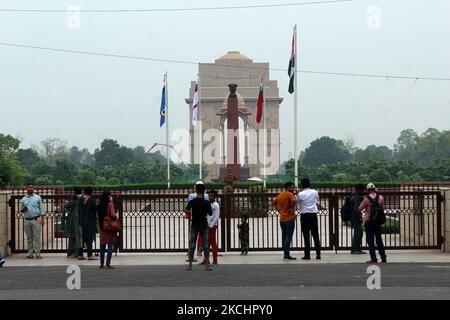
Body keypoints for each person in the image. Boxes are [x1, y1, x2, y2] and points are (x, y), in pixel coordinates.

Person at [185, 183, 213, 271]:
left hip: (194, 224)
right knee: (205, 245)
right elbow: (210, 213)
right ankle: (207, 265)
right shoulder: (206, 203)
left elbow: (186, 209)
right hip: (204, 224)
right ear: (204, 192)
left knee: (192, 244)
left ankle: (190, 265)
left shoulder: (192, 201)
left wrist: (190, 212)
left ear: (196, 191)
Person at [359, 183, 387, 264]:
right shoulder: (381, 197)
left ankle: (373, 258)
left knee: (370, 241)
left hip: (369, 221)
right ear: (375, 189)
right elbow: (382, 208)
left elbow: (360, 208)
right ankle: (383, 258)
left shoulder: (366, 199)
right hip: (377, 222)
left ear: (367, 190)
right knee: (379, 240)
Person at [297, 178, 321, 260]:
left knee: (306, 236)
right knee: (315, 235)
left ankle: (307, 255)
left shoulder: (300, 194)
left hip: (304, 216)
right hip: (313, 215)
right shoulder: (314, 192)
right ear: (309, 184)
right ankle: (318, 254)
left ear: (302, 185)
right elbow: (317, 200)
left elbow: (298, 202)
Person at [273, 182, 297, 261]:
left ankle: (285, 254)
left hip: (282, 219)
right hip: (289, 219)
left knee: (284, 236)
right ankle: (287, 255)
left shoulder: (280, 195)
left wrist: (279, 210)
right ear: (288, 187)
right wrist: (292, 209)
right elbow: (294, 201)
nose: (293, 189)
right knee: (288, 237)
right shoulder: (290, 194)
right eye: (292, 187)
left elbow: (274, 203)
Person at [20, 183, 45, 259]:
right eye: (29, 187)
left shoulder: (37, 197)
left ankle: (38, 254)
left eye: (32, 187)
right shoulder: (23, 199)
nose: (30, 188)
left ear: (33, 188)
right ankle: (30, 253)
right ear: (26, 188)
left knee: (36, 237)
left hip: (36, 219)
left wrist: (42, 219)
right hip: (27, 220)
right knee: (29, 238)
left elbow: (41, 209)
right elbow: (21, 210)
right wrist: (24, 209)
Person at [97, 191, 118, 269]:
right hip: (109, 227)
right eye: (110, 196)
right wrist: (116, 217)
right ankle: (108, 264)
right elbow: (112, 214)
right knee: (110, 245)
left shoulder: (99, 204)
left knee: (102, 245)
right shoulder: (110, 204)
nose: (111, 197)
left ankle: (101, 264)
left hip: (102, 226)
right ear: (108, 197)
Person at [343, 184, 366, 254]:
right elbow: (356, 209)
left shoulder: (353, 195)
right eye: (363, 190)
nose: (363, 191)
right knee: (358, 233)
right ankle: (354, 249)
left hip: (353, 216)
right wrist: (359, 218)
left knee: (359, 232)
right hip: (354, 217)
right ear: (359, 190)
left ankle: (357, 249)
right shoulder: (355, 197)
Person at [78, 187, 97, 260]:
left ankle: (80, 254)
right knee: (89, 238)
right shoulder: (92, 200)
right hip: (89, 220)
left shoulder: (80, 199)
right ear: (91, 192)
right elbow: (95, 209)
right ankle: (89, 255)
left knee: (81, 237)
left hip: (80, 220)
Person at [64, 187, 83, 259]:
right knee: (79, 236)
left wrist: (71, 198)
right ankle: (78, 252)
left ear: (74, 192)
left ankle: (73, 252)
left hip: (74, 220)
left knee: (73, 236)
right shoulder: (83, 199)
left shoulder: (74, 200)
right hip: (81, 219)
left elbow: (66, 205)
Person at [206, 189, 220, 265]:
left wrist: (211, 226)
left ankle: (215, 260)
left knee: (213, 243)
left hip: (212, 227)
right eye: (209, 196)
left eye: (212, 196)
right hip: (207, 226)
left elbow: (217, 217)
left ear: (215, 197)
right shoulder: (208, 204)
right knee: (206, 244)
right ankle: (206, 260)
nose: (210, 197)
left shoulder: (216, 205)